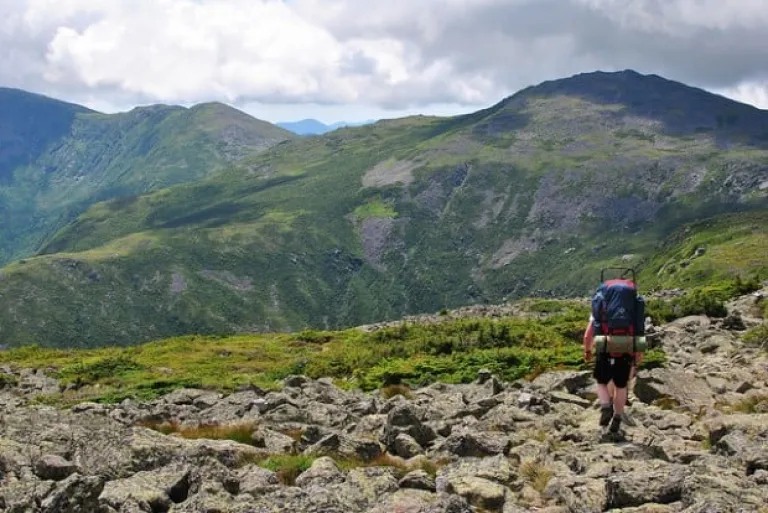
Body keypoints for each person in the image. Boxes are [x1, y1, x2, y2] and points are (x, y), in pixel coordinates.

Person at [584, 314, 642, 433]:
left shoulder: (601, 301)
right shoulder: (632, 303)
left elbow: (588, 334)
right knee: (621, 385)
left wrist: (587, 350)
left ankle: (607, 405)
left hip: (604, 341)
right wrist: (638, 355)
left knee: (603, 380)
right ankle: (617, 417)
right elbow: (639, 328)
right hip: (627, 342)